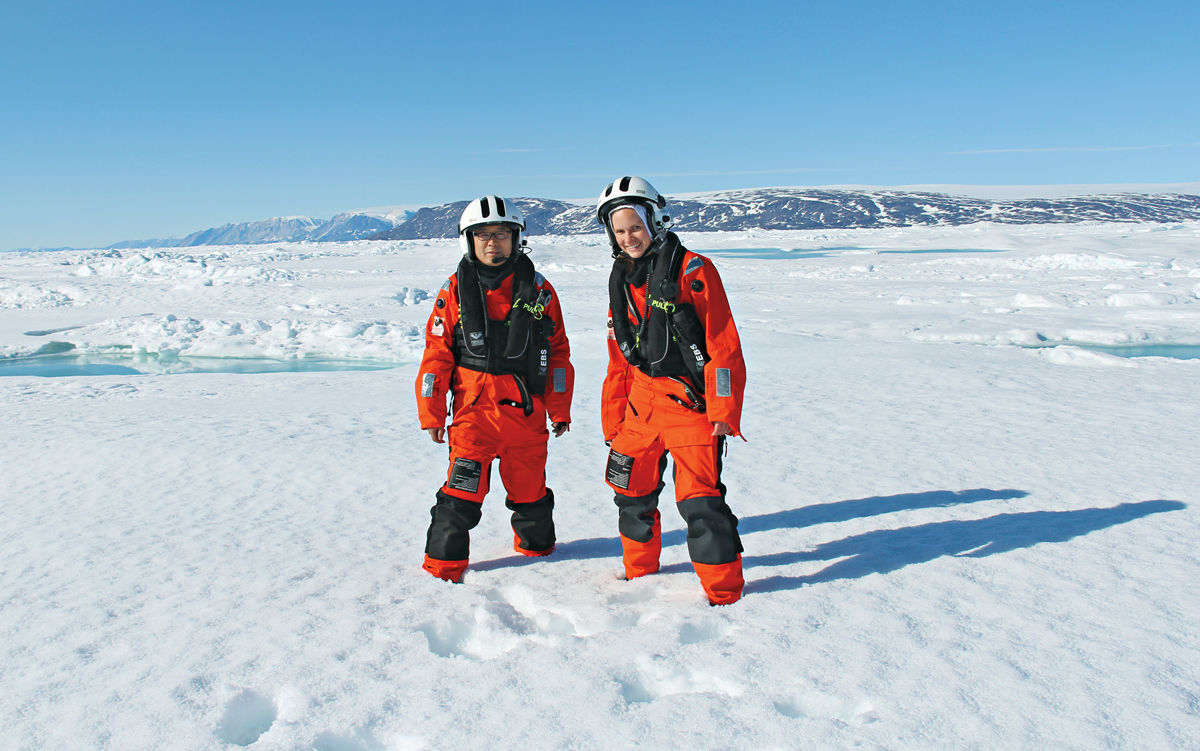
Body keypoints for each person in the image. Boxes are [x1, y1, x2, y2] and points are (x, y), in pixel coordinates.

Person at [597, 176, 747, 605]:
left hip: (689, 404)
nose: (629, 238)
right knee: (630, 493)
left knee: (699, 501)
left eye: (636, 228)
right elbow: (618, 357)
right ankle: (639, 576)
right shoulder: (622, 280)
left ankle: (724, 596)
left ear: (655, 222)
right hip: (640, 405)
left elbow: (723, 344)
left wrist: (723, 409)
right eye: (620, 231)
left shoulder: (694, 270)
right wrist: (613, 417)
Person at [415, 195, 574, 583]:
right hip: (473, 417)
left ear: (516, 237)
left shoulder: (540, 291)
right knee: (460, 495)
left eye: (501, 234)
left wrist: (560, 409)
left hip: (526, 415)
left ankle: (540, 560)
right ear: (468, 241)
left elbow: (558, 358)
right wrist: (431, 414)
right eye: (483, 235)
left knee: (531, 494)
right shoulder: (452, 292)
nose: (492, 243)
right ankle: (442, 572)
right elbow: (435, 358)